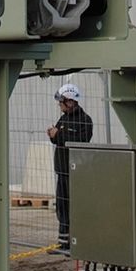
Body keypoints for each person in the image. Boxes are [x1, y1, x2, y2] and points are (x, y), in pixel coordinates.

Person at [47, 82, 93, 249]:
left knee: (74, 207)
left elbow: (79, 142)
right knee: (62, 207)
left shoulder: (85, 121)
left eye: (61, 102)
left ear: (70, 101)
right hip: (62, 170)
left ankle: (77, 242)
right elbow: (59, 139)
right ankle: (63, 243)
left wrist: (58, 134)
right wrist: (53, 135)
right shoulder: (64, 118)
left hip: (75, 172)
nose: (59, 105)